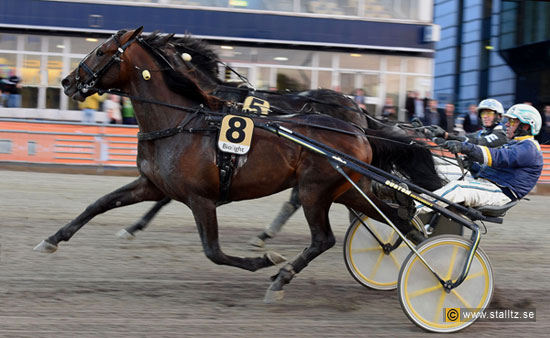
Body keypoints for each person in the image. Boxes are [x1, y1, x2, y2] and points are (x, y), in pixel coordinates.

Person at [417, 104, 543, 214]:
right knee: (442, 175)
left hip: (500, 193)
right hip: (490, 185)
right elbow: (498, 166)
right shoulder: (516, 144)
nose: (507, 124)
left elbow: (497, 157)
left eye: (512, 122)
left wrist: (466, 148)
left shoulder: (528, 148)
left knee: (457, 188)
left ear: (525, 127)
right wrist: (474, 166)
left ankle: (414, 207)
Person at [429, 99, 508, 148]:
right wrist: (429, 134)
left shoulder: (500, 135)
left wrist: (446, 135)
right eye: (483, 113)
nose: (485, 116)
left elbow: (475, 142)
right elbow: (461, 138)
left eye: (489, 113)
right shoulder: (480, 133)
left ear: (499, 116)